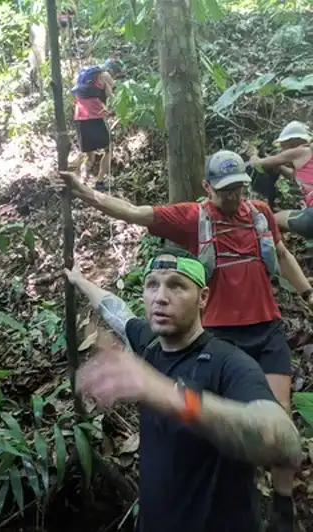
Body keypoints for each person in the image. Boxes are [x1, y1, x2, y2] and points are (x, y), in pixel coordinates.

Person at [59, 149, 313, 531]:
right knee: (218, 427)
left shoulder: (259, 212)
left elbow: (279, 252)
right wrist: (88, 195)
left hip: (267, 328)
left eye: (240, 187)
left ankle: (281, 505)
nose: (235, 196)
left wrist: (307, 293)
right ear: (207, 187)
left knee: (276, 417)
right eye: (226, 190)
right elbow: (136, 212)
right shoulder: (195, 218)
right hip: (223, 333)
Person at [66, 247, 302, 532]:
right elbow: (115, 310)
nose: (160, 297)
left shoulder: (230, 364)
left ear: (203, 297)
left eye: (176, 286)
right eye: (152, 285)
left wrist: (169, 396)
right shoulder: (150, 343)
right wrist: (79, 279)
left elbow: (285, 441)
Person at [249, 120, 313, 240]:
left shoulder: (300, 150)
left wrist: (254, 156)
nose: (282, 150)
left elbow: (263, 163)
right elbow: (293, 177)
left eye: (283, 146)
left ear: (293, 142)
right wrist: (280, 168)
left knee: (272, 220)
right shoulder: (307, 158)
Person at [71, 58, 124, 190]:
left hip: (80, 117)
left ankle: (82, 182)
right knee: (108, 149)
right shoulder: (105, 75)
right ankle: (99, 182)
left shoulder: (80, 76)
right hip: (96, 117)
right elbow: (112, 97)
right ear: (113, 70)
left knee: (89, 156)